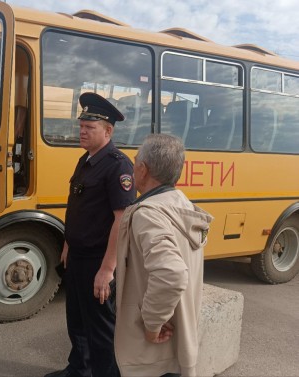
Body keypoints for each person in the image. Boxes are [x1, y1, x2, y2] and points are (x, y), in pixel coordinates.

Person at [46, 93, 136, 377]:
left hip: (99, 259)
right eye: (81, 126)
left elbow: (121, 221)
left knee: (101, 329)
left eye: (89, 127)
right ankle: (79, 370)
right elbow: (77, 207)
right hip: (78, 255)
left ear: (108, 131)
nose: (82, 131)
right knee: (77, 320)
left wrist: (107, 270)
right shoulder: (85, 160)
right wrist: (67, 243)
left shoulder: (118, 166)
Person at [114, 134, 214, 377]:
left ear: (143, 169)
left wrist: (151, 325)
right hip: (179, 343)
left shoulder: (148, 214)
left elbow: (172, 273)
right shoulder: (182, 204)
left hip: (150, 354)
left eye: (136, 160)